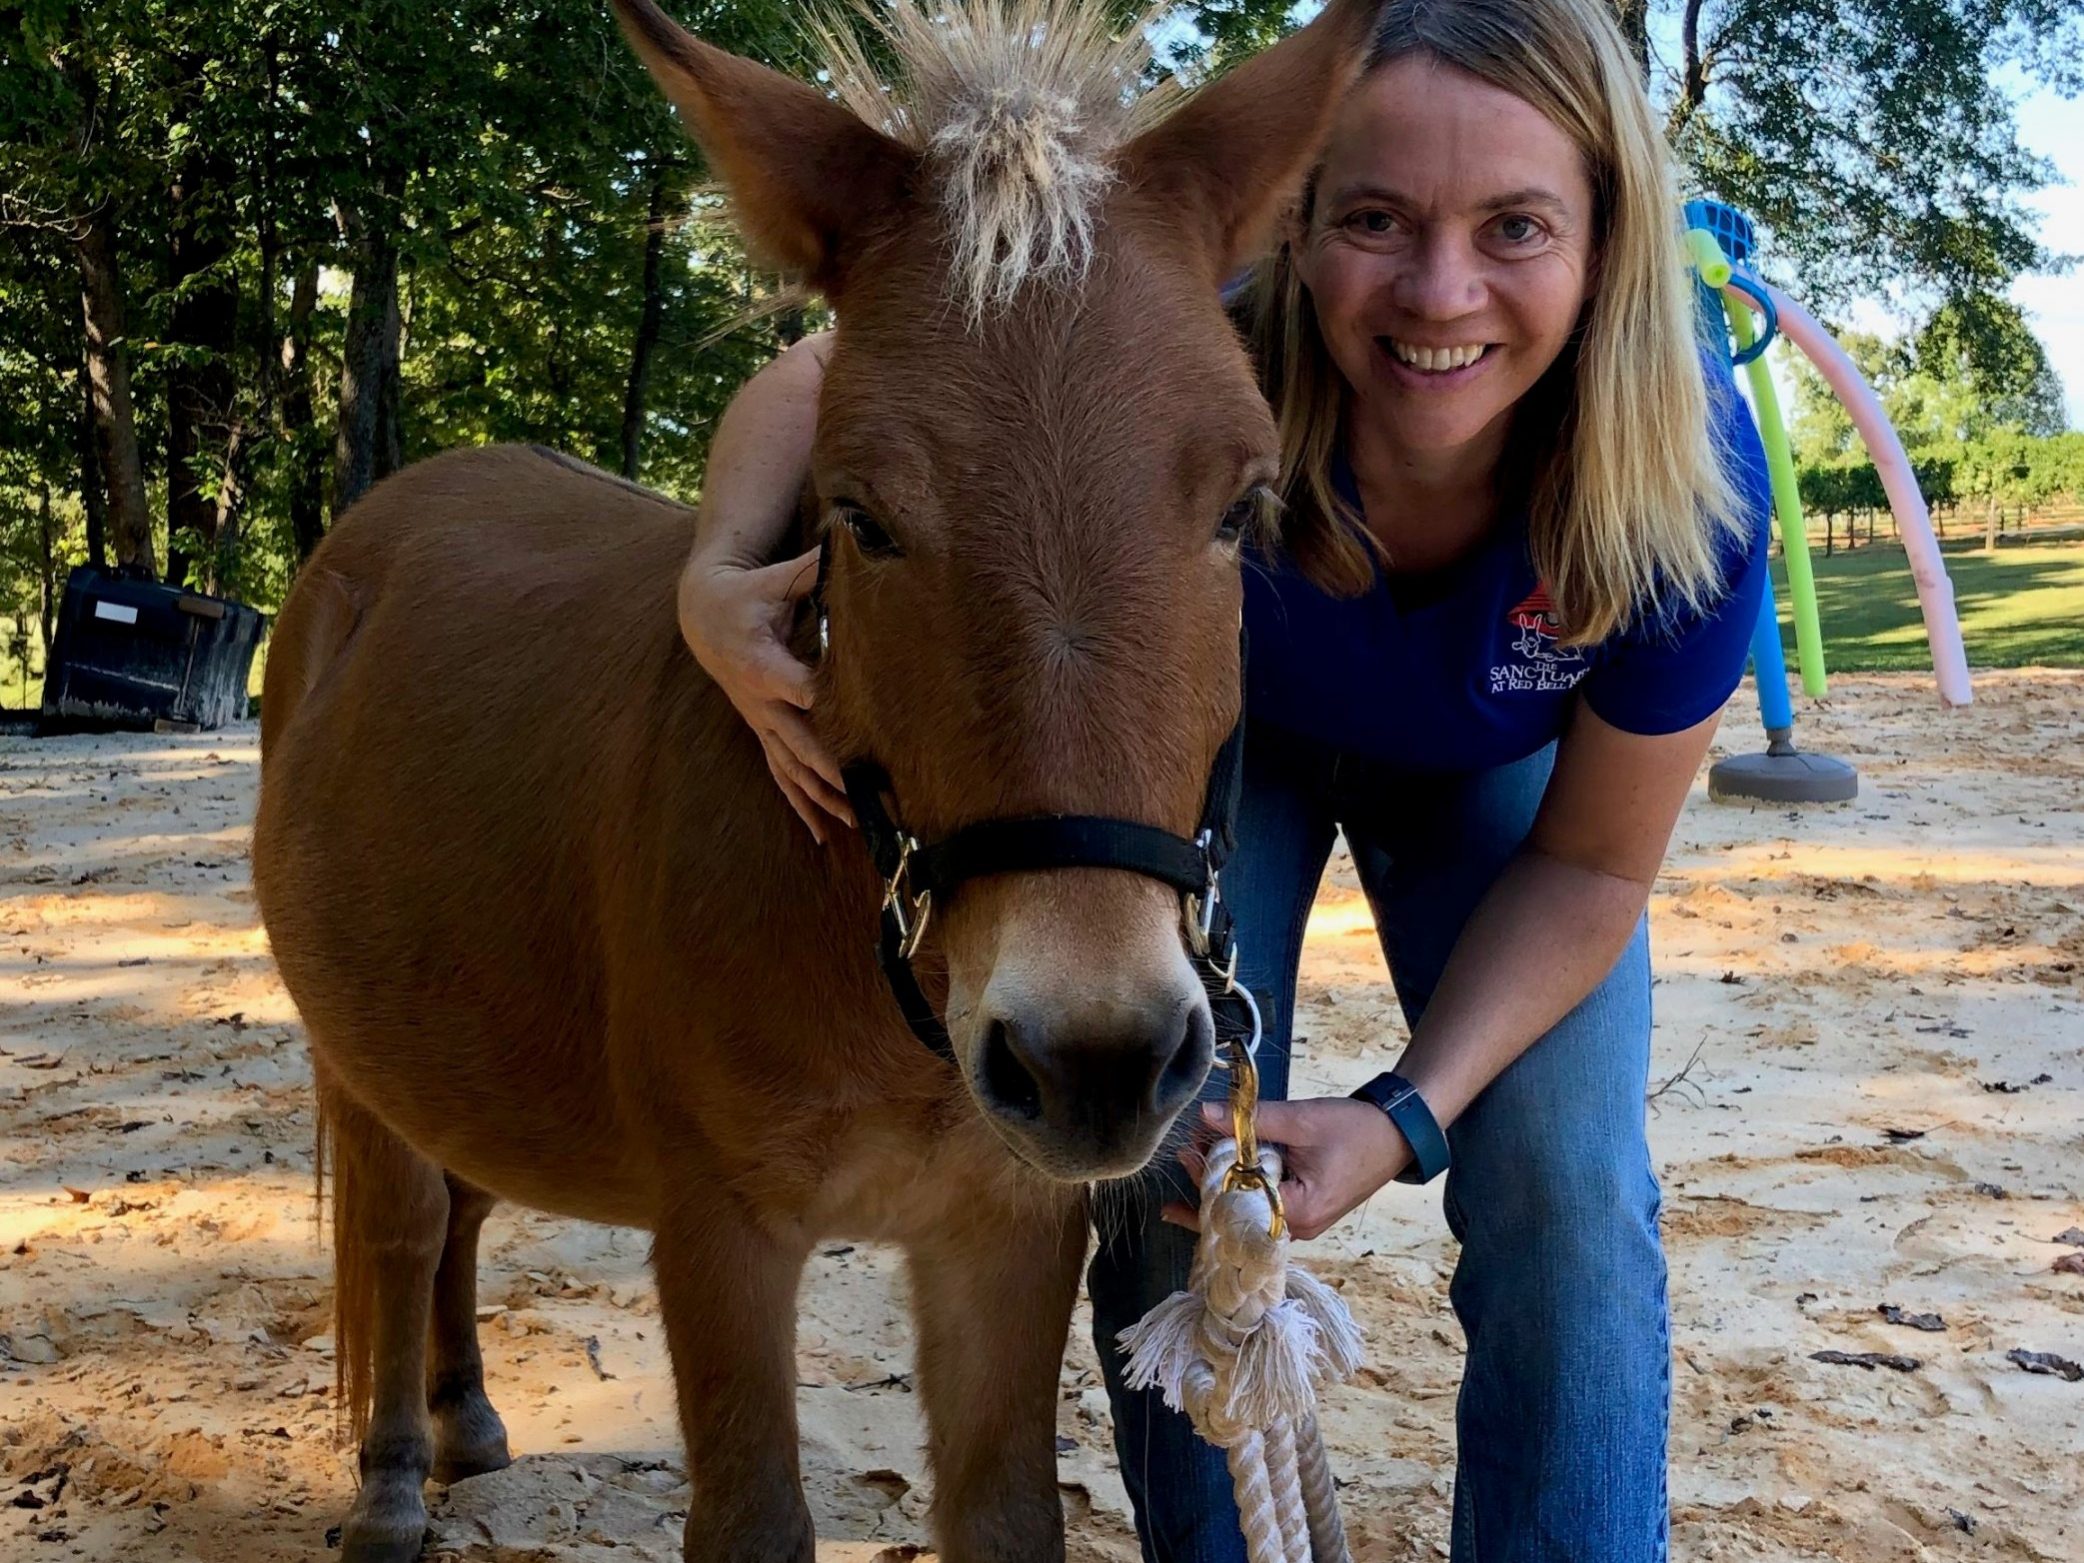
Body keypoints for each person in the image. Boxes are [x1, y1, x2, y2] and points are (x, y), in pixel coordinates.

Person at [676, 0, 1772, 1556]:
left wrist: (1407, 1112)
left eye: (1516, 225)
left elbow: (1596, 869)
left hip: (1495, 769)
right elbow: (840, 360)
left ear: (1608, 241)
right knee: (1159, 1147)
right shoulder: (1190, 313)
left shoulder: (1687, 485)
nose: (1439, 292)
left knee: (1566, 1190)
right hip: (1219, 748)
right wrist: (712, 574)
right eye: (1376, 219)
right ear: (1302, 222)